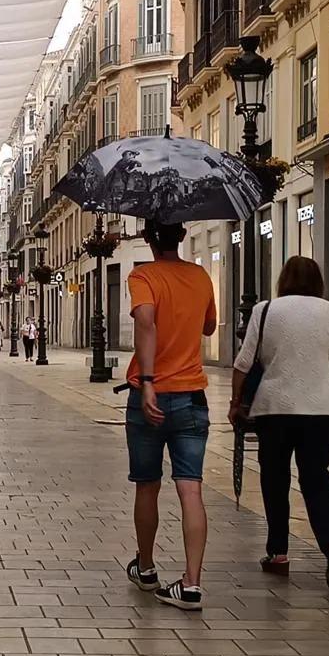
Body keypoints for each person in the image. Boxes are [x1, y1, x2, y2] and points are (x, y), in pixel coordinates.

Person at [229, 256, 329, 591]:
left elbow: (242, 364)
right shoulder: (327, 311)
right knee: (317, 482)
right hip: (321, 412)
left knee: (275, 480)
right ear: (318, 282)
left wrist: (234, 403)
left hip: (275, 409)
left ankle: (278, 553)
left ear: (283, 280)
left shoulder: (265, 310)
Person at [124, 220, 216, 611]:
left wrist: (147, 381)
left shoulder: (142, 275)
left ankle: (146, 568)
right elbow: (210, 326)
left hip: (151, 397)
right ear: (180, 237)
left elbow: (145, 320)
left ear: (147, 238)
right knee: (190, 488)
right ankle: (192, 584)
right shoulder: (200, 276)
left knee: (147, 485)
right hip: (192, 396)